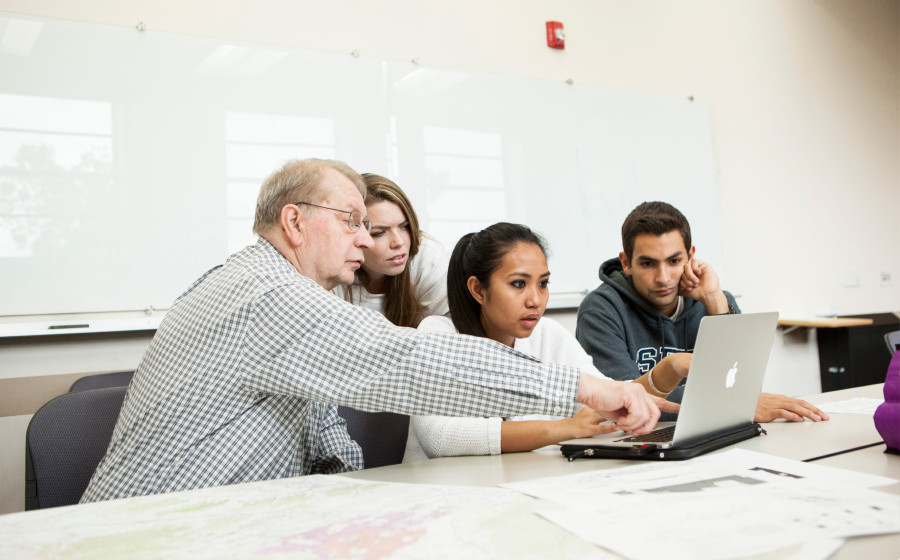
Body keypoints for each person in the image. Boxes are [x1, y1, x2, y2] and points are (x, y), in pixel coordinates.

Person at [82, 159, 673, 503]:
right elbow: (411, 361)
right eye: (352, 222)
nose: (366, 240)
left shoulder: (291, 300)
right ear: (294, 222)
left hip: (225, 519)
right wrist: (584, 388)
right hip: (146, 528)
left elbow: (324, 433)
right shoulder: (265, 292)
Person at [403, 223, 687, 462]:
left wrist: (654, 382)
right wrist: (562, 429)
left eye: (543, 283)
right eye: (518, 284)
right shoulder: (438, 334)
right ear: (478, 289)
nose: (535, 300)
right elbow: (439, 438)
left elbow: (605, 398)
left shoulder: (548, 334)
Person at [575, 201, 829, 423]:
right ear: (626, 263)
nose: (663, 278)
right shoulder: (600, 310)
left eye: (674, 261)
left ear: (691, 256)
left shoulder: (717, 301)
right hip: (641, 441)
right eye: (648, 263)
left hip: (710, 429)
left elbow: (744, 384)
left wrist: (714, 301)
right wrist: (731, 404)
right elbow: (622, 404)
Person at [341, 173, 448, 327]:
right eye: (379, 233)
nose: (399, 242)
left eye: (405, 226)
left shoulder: (428, 256)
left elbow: (446, 330)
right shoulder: (335, 268)